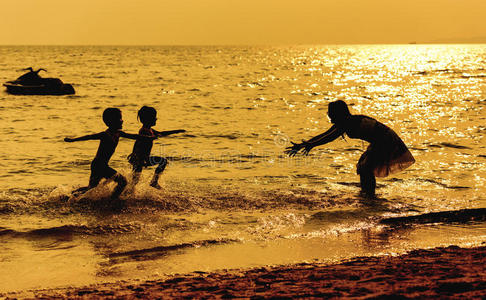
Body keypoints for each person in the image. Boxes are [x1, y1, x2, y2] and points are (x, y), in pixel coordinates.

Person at [286, 100, 415, 198]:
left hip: (386, 141)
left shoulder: (348, 122)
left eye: (330, 112)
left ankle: (369, 196)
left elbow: (330, 137)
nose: (328, 115)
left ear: (338, 113)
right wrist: (305, 144)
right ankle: (367, 194)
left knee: (365, 167)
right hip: (380, 141)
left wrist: (310, 145)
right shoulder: (346, 121)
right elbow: (326, 134)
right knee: (363, 166)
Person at [64, 108, 155, 201]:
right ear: (111, 121)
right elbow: (89, 137)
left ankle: (71, 195)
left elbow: (134, 136)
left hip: (100, 165)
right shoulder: (105, 134)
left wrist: (147, 138)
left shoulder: (119, 133)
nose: (122, 121)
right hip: (98, 165)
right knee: (123, 181)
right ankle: (113, 200)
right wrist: (73, 140)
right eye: (119, 119)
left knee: (91, 187)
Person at [128, 106, 185, 189]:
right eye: (154, 117)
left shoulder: (150, 130)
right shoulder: (143, 131)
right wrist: (134, 154)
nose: (156, 119)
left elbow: (162, 133)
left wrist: (176, 131)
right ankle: (127, 194)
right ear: (148, 119)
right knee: (135, 180)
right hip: (139, 159)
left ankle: (154, 181)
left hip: (144, 158)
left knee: (163, 162)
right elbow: (137, 142)